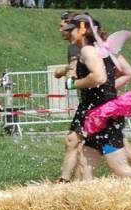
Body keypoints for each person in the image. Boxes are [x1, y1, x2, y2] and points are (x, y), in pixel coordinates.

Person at [62, 14, 131, 179]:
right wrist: (109, 88)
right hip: (99, 116)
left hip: (104, 116)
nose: (68, 34)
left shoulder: (88, 50)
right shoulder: (102, 50)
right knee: (84, 161)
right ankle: (86, 201)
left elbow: (99, 77)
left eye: (71, 30)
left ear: (82, 30)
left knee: (122, 170)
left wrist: (74, 84)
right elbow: (116, 77)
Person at [55, 12, 86, 183]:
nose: (61, 30)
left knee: (122, 150)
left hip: (92, 102)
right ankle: (68, 182)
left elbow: (74, 68)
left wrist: (68, 75)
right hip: (88, 101)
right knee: (74, 141)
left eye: (63, 27)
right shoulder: (78, 46)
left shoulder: (74, 47)